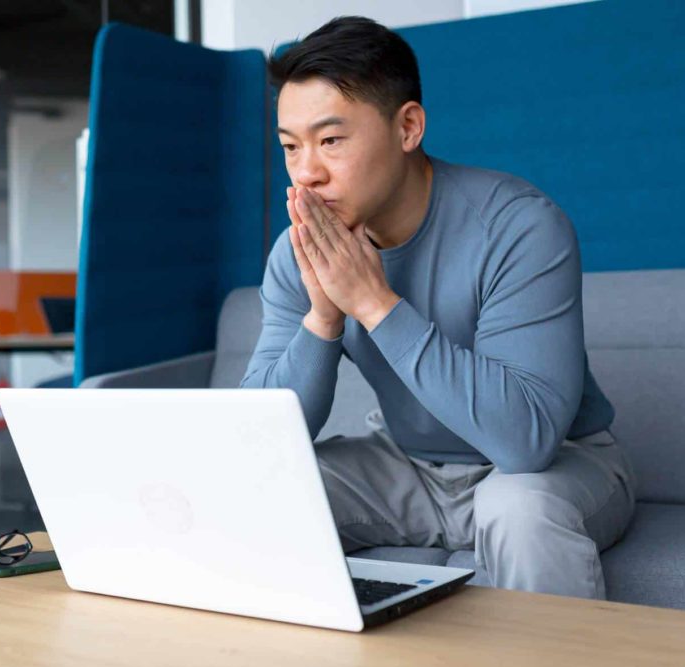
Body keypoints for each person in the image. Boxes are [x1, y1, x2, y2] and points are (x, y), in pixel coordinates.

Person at [241, 16, 635, 599]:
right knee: (253, 489)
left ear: (408, 127)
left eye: (331, 141)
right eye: (290, 147)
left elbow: (525, 443)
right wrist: (323, 318)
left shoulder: (519, 226)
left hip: (553, 466)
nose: (307, 173)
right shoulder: (301, 251)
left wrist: (373, 303)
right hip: (406, 465)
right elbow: (257, 439)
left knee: (518, 512)